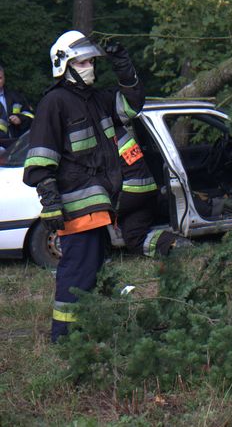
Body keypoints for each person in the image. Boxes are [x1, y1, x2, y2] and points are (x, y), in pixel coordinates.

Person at [23, 31, 144, 342]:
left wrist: (123, 65)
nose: (91, 65)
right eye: (85, 61)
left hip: (99, 204)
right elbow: (40, 158)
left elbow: (132, 105)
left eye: (91, 60)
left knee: (91, 270)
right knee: (76, 272)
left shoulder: (98, 99)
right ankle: (64, 337)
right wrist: (50, 201)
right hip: (76, 206)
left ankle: (85, 331)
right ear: (65, 64)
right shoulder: (55, 102)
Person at [113, 119, 184, 257]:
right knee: (133, 235)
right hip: (142, 190)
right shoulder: (117, 131)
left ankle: (174, 243)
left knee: (98, 211)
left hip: (132, 192)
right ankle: (174, 243)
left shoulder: (101, 135)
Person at [0, 63, 35, 151]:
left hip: (17, 146)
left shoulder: (16, 96)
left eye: (0, 78)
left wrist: (20, 119)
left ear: (4, 78)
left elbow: (31, 117)